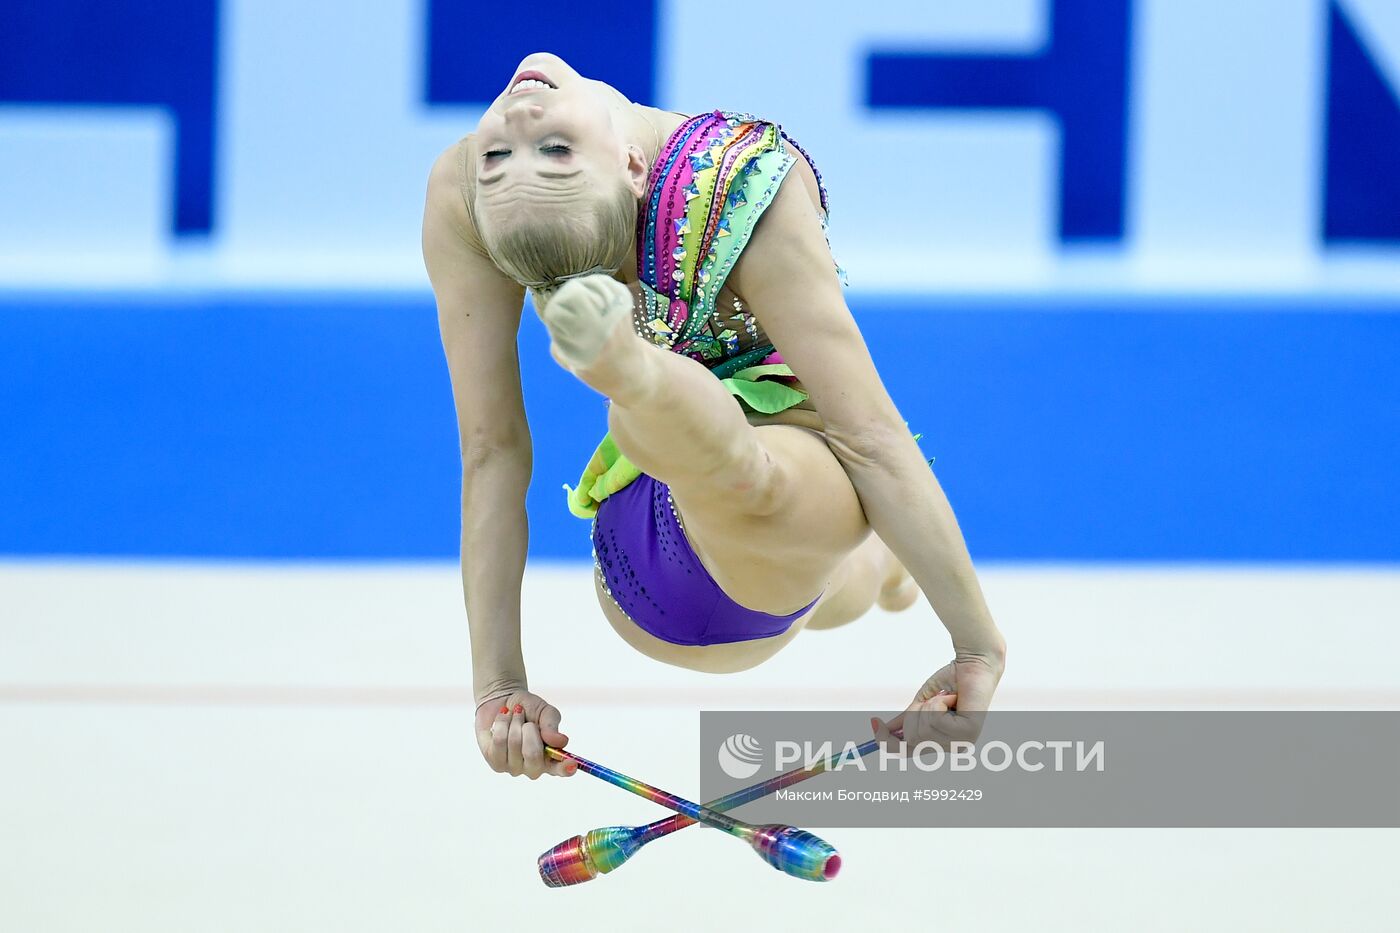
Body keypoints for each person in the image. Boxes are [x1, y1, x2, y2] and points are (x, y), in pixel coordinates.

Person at [421, 52, 1005, 780]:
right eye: (506, 156)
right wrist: (498, 686)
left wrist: (974, 644)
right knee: (748, 477)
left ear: (636, 170)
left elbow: (867, 436)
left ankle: (874, 562)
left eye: (554, 152)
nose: (515, 122)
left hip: (748, 533)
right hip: (652, 554)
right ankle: (632, 370)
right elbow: (491, 452)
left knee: (816, 538)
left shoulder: (739, 188)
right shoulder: (479, 192)